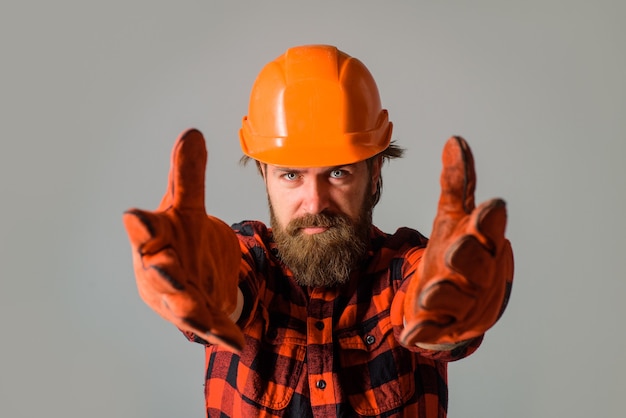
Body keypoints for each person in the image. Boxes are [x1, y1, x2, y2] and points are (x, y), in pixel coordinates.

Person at [123, 44, 514, 418]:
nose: (314, 203)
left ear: (374, 170)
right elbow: (230, 292)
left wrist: (446, 318)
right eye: (291, 174)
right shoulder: (250, 259)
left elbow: (428, 302)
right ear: (264, 174)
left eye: (338, 172)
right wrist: (204, 287)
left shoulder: (404, 267)